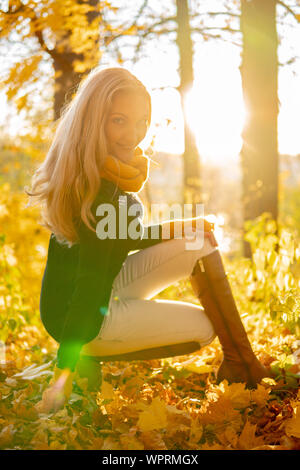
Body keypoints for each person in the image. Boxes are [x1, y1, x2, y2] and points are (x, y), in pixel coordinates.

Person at [26, 67, 270, 413]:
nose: (133, 135)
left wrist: (178, 228)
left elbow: (118, 238)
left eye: (142, 122)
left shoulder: (102, 168)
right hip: (83, 319)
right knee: (203, 328)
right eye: (119, 121)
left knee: (197, 242)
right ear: (93, 120)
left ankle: (242, 363)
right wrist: (61, 375)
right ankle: (84, 358)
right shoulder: (99, 190)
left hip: (87, 297)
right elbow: (89, 285)